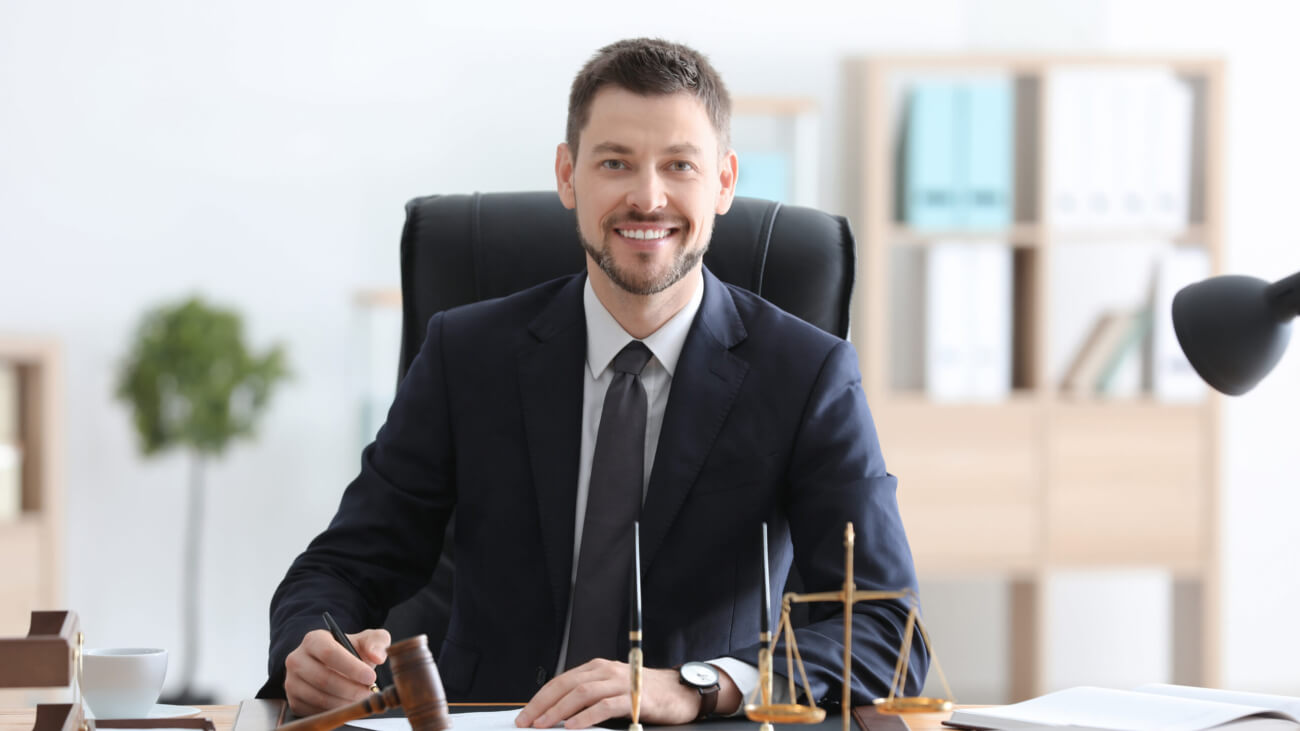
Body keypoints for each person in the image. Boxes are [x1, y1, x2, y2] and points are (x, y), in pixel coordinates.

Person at [259, 37, 927, 728]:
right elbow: (341, 565)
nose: (647, 196)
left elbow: (885, 627)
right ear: (568, 175)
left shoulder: (807, 373)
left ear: (724, 181)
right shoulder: (468, 354)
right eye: (615, 163)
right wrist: (311, 645)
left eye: (679, 165)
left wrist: (696, 684)